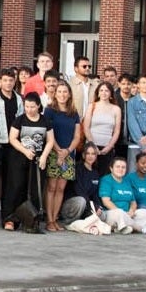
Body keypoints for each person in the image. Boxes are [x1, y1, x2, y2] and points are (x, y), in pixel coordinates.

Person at [4, 92, 51, 233]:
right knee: (16, 188)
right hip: (19, 158)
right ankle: (10, 220)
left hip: (37, 161)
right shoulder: (20, 120)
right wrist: (25, 151)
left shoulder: (45, 121)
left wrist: (43, 156)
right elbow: (12, 138)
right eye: (27, 106)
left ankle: (31, 221)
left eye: (32, 106)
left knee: (35, 191)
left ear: (38, 106)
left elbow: (50, 141)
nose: (29, 109)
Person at [42, 82, 83, 232]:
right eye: (59, 91)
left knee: (61, 188)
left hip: (68, 155)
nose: (62, 95)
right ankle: (49, 220)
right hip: (53, 152)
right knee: (51, 187)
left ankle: (55, 219)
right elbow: (47, 132)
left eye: (65, 92)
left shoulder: (74, 112)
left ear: (69, 94)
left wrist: (67, 151)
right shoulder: (49, 111)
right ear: (55, 93)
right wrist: (59, 151)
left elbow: (77, 136)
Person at [97, 157, 146, 234]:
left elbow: (133, 202)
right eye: (117, 167)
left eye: (123, 167)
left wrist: (131, 211)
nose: (120, 169)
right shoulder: (106, 180)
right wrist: (123, 214)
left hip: (127, 214)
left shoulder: (126, 181)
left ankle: (123, 227)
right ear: (111, 168)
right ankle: (141, 229)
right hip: (111, 213)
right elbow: (106, 202)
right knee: (119, 213)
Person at [83, 82, 120, 159]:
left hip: (107, 147)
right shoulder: (91, 106)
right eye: (101, 90)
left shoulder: (116, 109)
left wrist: (109, 147)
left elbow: (116, 131)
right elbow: (86, 127)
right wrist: (93, 145)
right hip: (90, 148)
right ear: (98, 93)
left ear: (111, 93)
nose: (104, 93)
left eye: (106, 91)